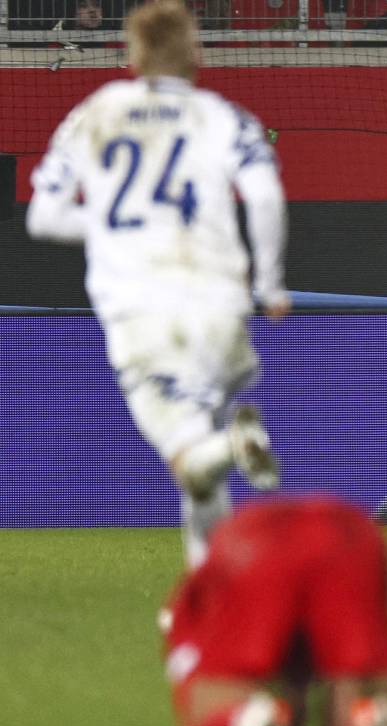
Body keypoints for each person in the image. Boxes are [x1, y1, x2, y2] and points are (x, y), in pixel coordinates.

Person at [26, 0, 290, 567]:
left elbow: (43, 217)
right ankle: (207, 597)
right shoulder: (223, 116)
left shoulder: (95, 113)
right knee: (200, 470)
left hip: (140, 310)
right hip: (218, 306)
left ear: (133, 54)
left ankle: (236, 447)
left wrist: (116, 233)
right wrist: (270, 285)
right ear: (196, 52)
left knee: (192, 457)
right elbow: (265, 197)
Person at [162, 494, 387, 726]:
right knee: (359, 703)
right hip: (352, 535)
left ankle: (247, 723)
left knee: (208, 720)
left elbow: (201, 693)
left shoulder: (192, 617)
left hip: (257, 543)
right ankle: (366, 721)